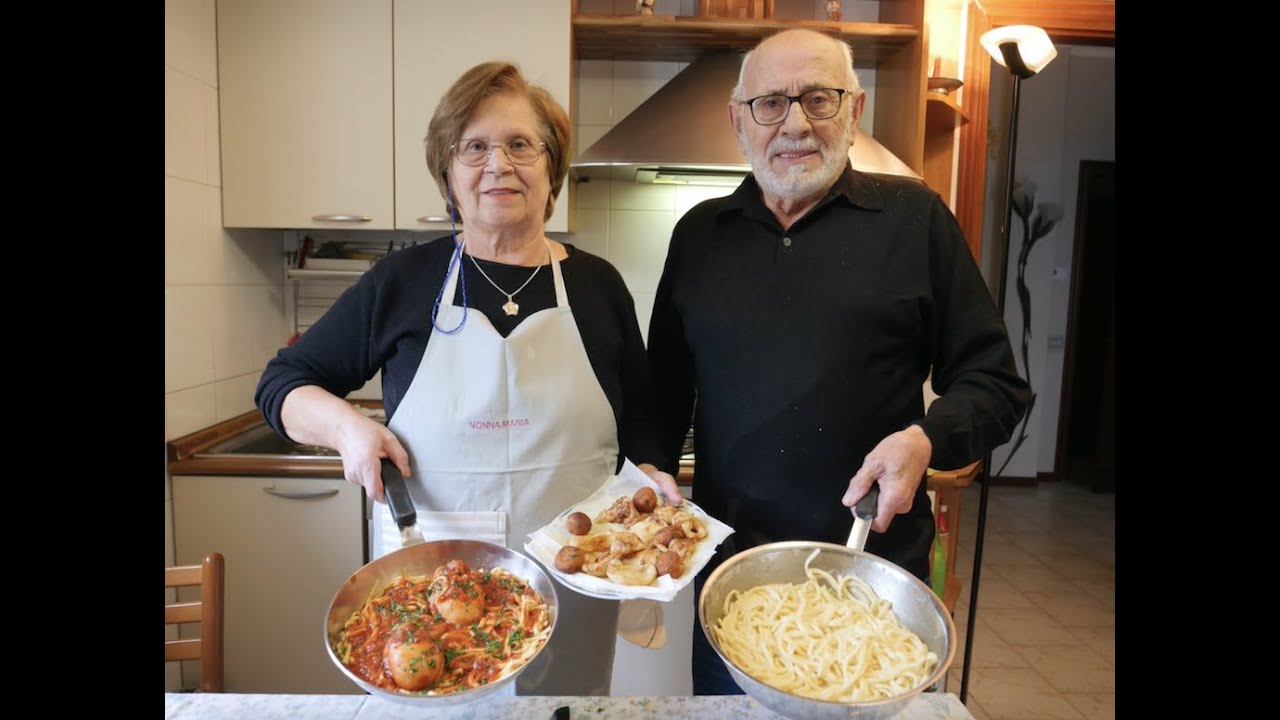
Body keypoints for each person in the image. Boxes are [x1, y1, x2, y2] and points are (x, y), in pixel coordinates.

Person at [255, 61, 682, 697]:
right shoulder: (401, 283)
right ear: (448, 172)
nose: (498, 164)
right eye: (474, 147)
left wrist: (651, 470)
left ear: (551, 167)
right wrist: (347, 428)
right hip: (432, 593)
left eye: (520, 145)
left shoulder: (598, 286)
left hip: (572, 576)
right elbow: (283, 383)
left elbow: (644, 417)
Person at [645, 29, 1032, 695]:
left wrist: (926, 438)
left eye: (818, 100)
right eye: (770, 103)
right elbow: (663, 391)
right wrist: (649, 463)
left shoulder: (916, 220)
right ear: (739, 121)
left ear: (853, 112)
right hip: (731, 593)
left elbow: (996, 384)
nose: (795, 124)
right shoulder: (700, 236)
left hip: (872, 585)